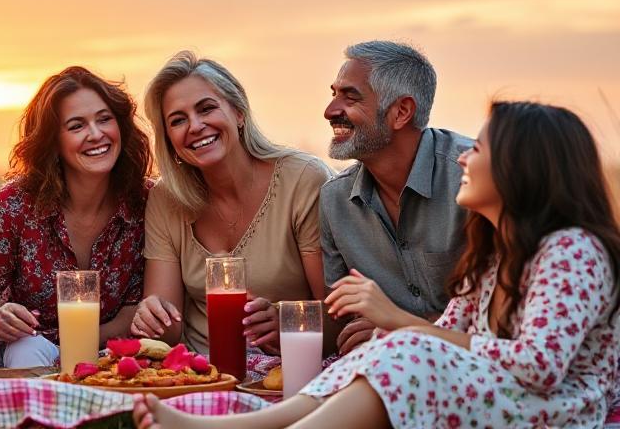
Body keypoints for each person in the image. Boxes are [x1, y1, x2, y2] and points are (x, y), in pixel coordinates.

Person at [134, 100, 620, 428]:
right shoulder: (495, 259)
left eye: (481, 149)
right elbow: (444, 333)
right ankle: (239, 426)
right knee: (399, 344)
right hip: (504, 395)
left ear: (525, 168)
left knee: (408, 347)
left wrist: (397, 320)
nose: (463, 158)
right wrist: (400, 330)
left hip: (561, 408)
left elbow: (539, 366)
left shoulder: (572, 251)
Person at [0, 66, 151, 372]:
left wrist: (69, 346)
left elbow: (134, 312)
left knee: (31, 349)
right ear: (53, 142)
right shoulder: (15, 202)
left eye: (104, 119)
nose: (96, 134)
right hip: (2, 347)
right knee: (20, 348)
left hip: (100, 351)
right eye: (77, 126)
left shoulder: (143, 202)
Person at [132, 51, 331, 358]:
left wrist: (285, 323)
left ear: (239, 112)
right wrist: (153, 315)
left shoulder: (302, 180)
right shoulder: (165, 198)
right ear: (169, 139)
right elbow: (168, 332)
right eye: (178, 120)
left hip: (288, 366)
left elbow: (337, 318)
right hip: (200, 372)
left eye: (206, 108)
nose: (195, 126)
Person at [321, 41, 472, 354]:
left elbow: (504, 325)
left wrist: (396, 328)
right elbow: (340, 318)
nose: (330, 111)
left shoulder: (473, 180)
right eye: (334, 94)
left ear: (401, 111)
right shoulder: (334, 200)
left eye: (350, 96)